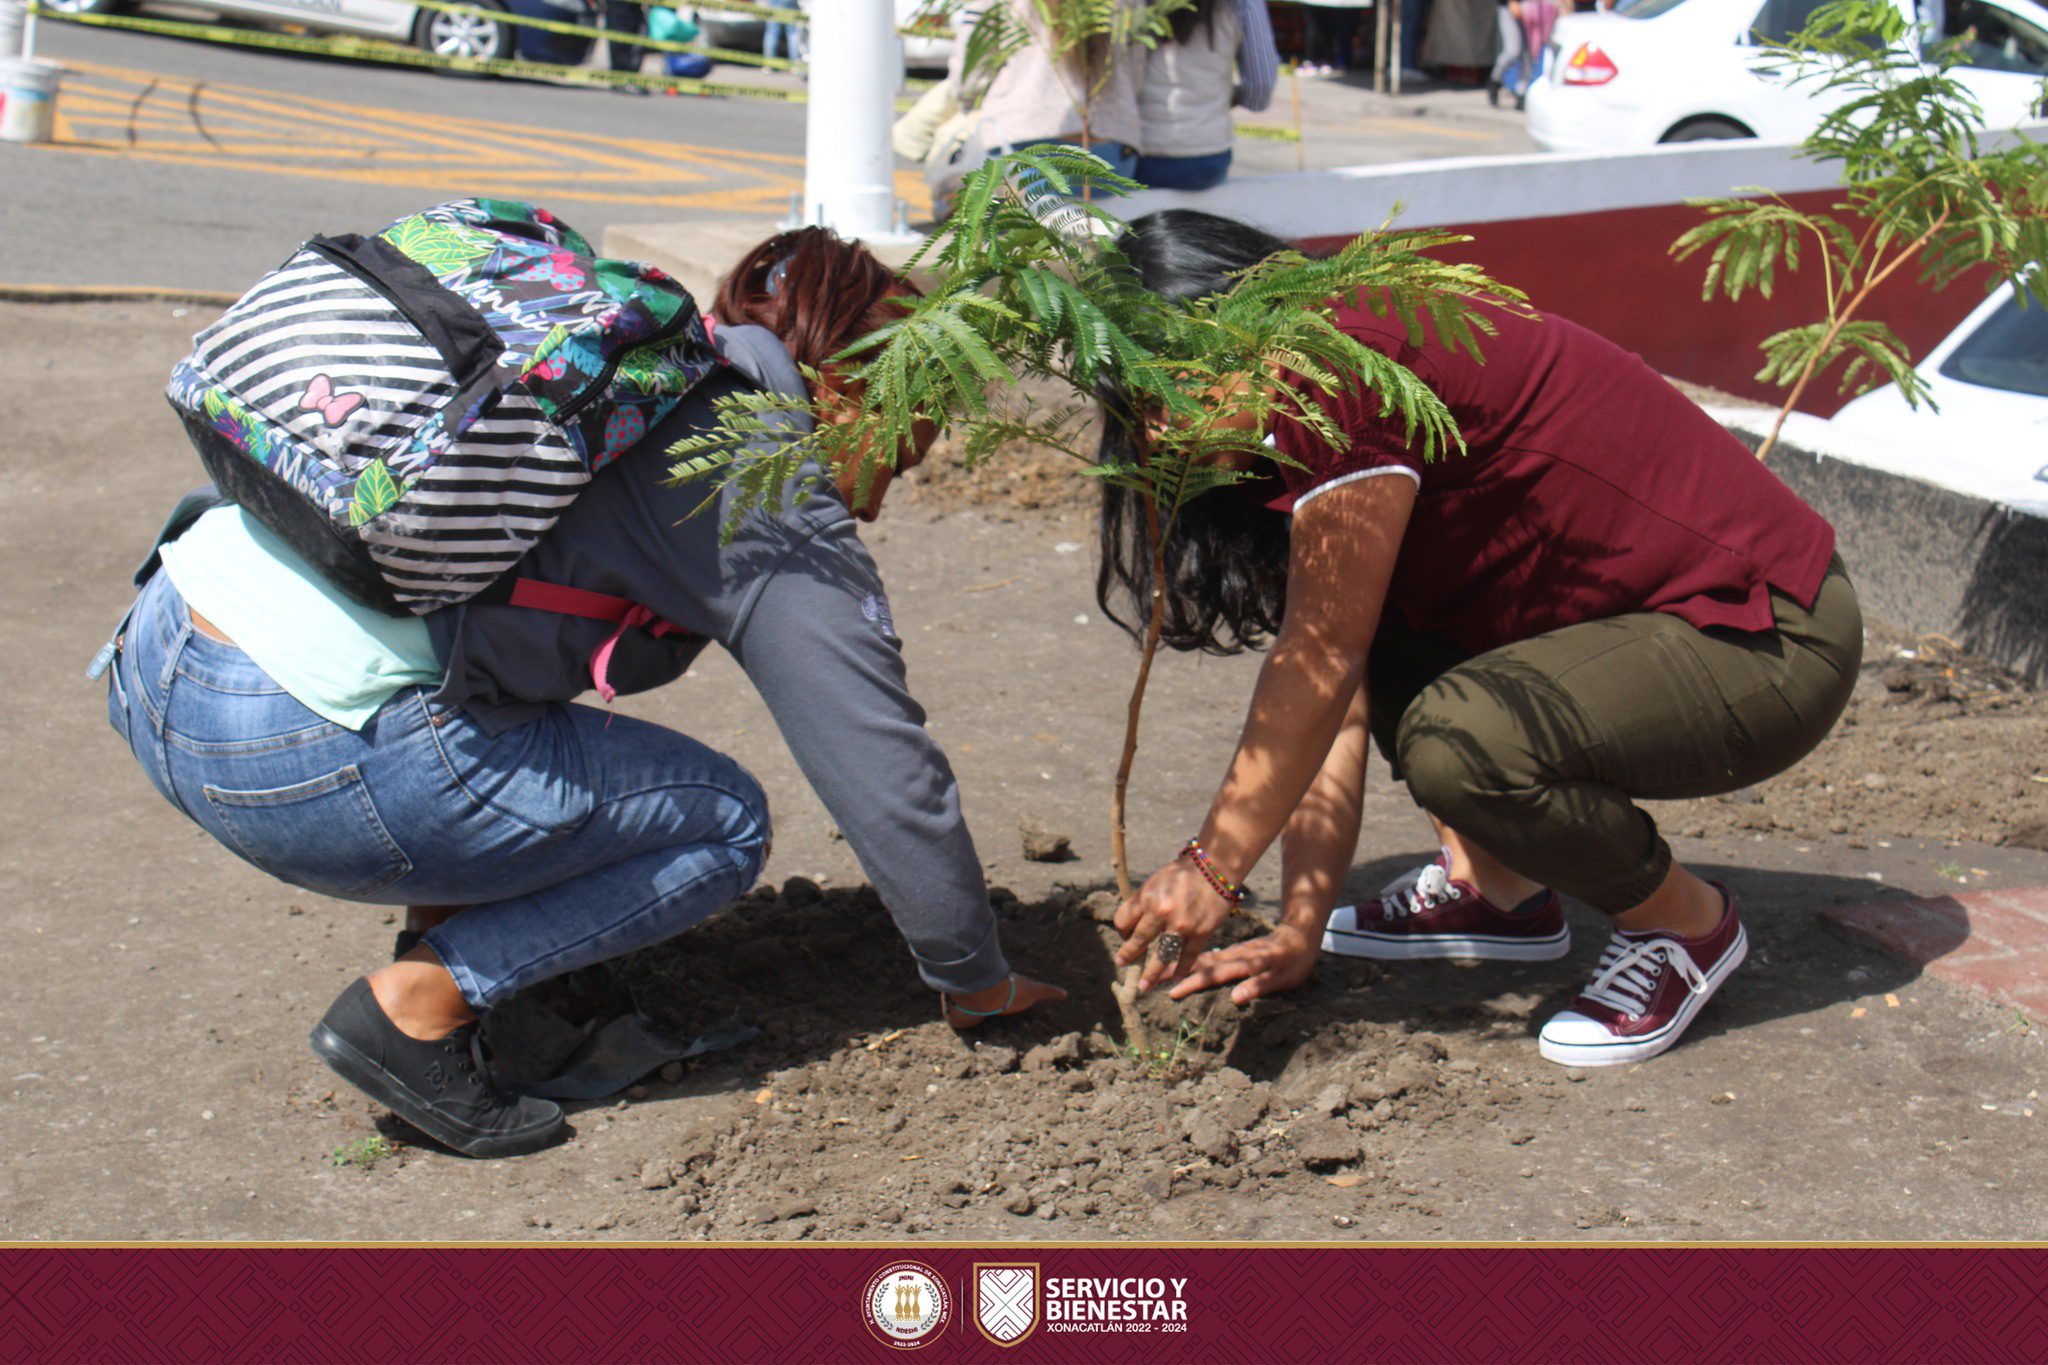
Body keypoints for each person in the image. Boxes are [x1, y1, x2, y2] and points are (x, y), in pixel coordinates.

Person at [98, 228, 1065, 1158]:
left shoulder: (616, 375)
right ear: (853, 394)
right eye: (899, 454)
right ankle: (418, 1006)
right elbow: (877, 754)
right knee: (720, 822)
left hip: (156, 651)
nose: (878, 500)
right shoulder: (749, 457)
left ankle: (493, 981)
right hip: (291, 750)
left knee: (506, 703)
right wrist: (972, 974)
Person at [1096, 210, 1861, 1068]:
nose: (1156, 434)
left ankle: (1684, 922)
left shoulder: (1348, 369)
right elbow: (1339, 692)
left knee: (1460, 742)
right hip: (1643, 623)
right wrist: (1300, 929)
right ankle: (1498, 891)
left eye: (1169, 390)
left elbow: (1318, 662)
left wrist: (1213, 867)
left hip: (1765, 635)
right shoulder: (1297, 389)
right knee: (1391, 643)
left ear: (1233, 326)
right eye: (1135, 406)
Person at [1133, 0, 1281, 193]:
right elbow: (1261, 87)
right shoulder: (1243, 4)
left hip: (1138, 151)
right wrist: (1231, 95)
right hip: (1206, 155)